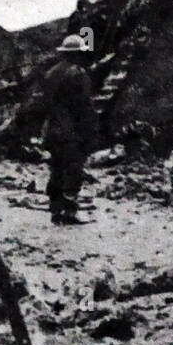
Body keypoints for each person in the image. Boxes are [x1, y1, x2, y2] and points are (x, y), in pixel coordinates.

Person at [42, 34, 97, 225]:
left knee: (56, 169)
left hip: (52, 130)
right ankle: (70, 212)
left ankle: (56, 210)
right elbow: (83, 107)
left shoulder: (51, 73)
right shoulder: (77, 74)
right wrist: (89, 131)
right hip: (71, 131)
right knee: (73, 170)